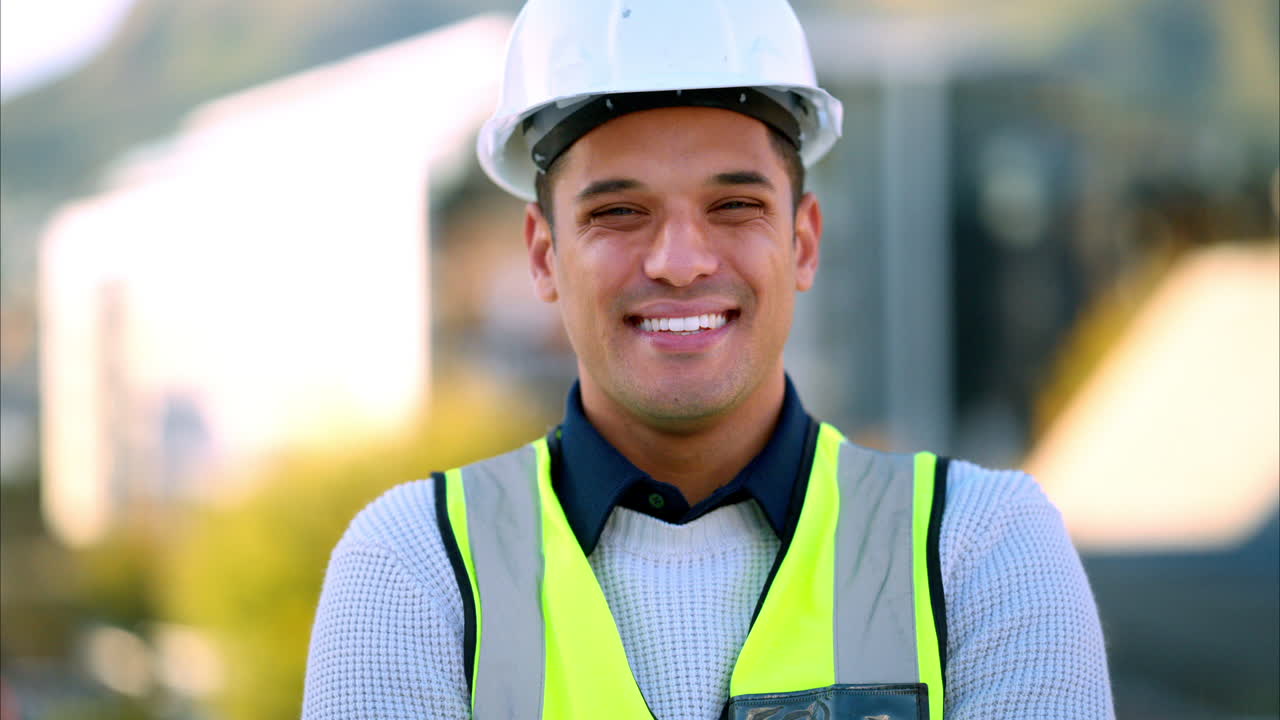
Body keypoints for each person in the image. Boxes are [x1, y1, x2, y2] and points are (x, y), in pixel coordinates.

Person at [303, 1, 1114, 718]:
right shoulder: (415, 573)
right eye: (619, 211)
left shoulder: (979, 552)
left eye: (734, 206)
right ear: (545, 256)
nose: (681, 260)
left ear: (801, 243)